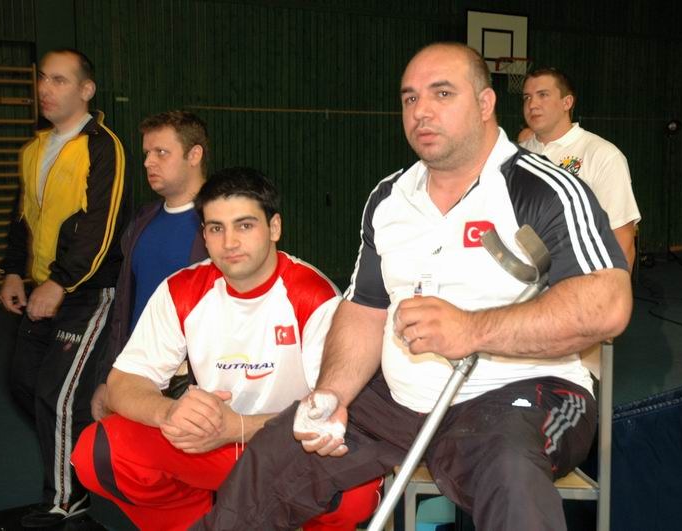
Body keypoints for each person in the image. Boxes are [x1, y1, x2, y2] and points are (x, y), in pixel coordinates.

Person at [195, 42, 632, 531]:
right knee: (275, 456)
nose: (421, 110)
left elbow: (608, 304)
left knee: (510, 476)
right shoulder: (389, 198)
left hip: (524, 395)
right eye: (409, 98)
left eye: (442, 93)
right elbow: (365, 309)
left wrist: (472, 329)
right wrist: (333, 394)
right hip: (400, 402)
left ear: (485, 104)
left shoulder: (543, 190)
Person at [71, 167, 382, 531]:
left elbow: (334, 412)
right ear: (204, 235)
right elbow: (124, 381)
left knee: (354, 490)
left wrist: (240, 427)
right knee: (99, 452)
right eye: (216, 228)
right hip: (211, 445)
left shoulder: (315, 298)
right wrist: (169, 412)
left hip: (289, 448)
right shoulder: (181, 290)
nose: (230, 242)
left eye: (244, 225)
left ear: (274, 228)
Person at [0, 48, 127, 527]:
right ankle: (82, 451)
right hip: (41, 288)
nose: (44, 89)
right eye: (42, 79)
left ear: (85, 90)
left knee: (59, 395)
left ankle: (68, 498)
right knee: (24, 383)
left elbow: (100, 227)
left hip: (88, 293)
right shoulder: (35, 149)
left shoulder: (103, 146)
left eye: (58, 80)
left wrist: (60, 281)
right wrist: (14, 271)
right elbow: (23, 217)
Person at [91, 110, 210, 421]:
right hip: (138, 376)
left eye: (161, 152)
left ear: (194, 155)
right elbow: (123, 309)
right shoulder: (142, 221)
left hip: (194, 383)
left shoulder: (222, 224)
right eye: (147, 153)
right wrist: (109, 377)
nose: (148, 162)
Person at [520, 67, 641, 269]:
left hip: (581, 277)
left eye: (543, 95)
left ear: (567, 102)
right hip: (526, 278)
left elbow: (623, 240)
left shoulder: (602, 155)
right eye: (527, 97)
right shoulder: (515, 155)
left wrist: (612, 287)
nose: (532, 104)